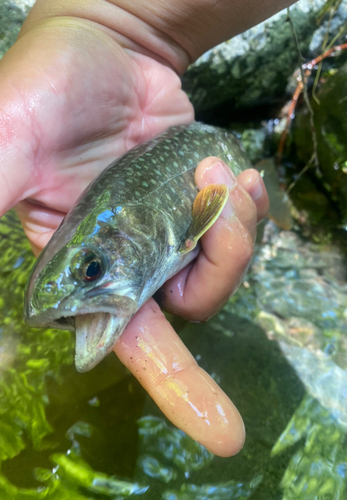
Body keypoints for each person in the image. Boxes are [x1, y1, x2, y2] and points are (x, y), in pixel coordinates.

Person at [0, 0, 294, 456]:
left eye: (91, 269)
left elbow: (213, 201)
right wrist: (105, 21)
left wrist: (108, 22)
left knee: (248, 193)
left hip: (211, 147)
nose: (71, 306)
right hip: (189, 139)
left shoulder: (169, 225)